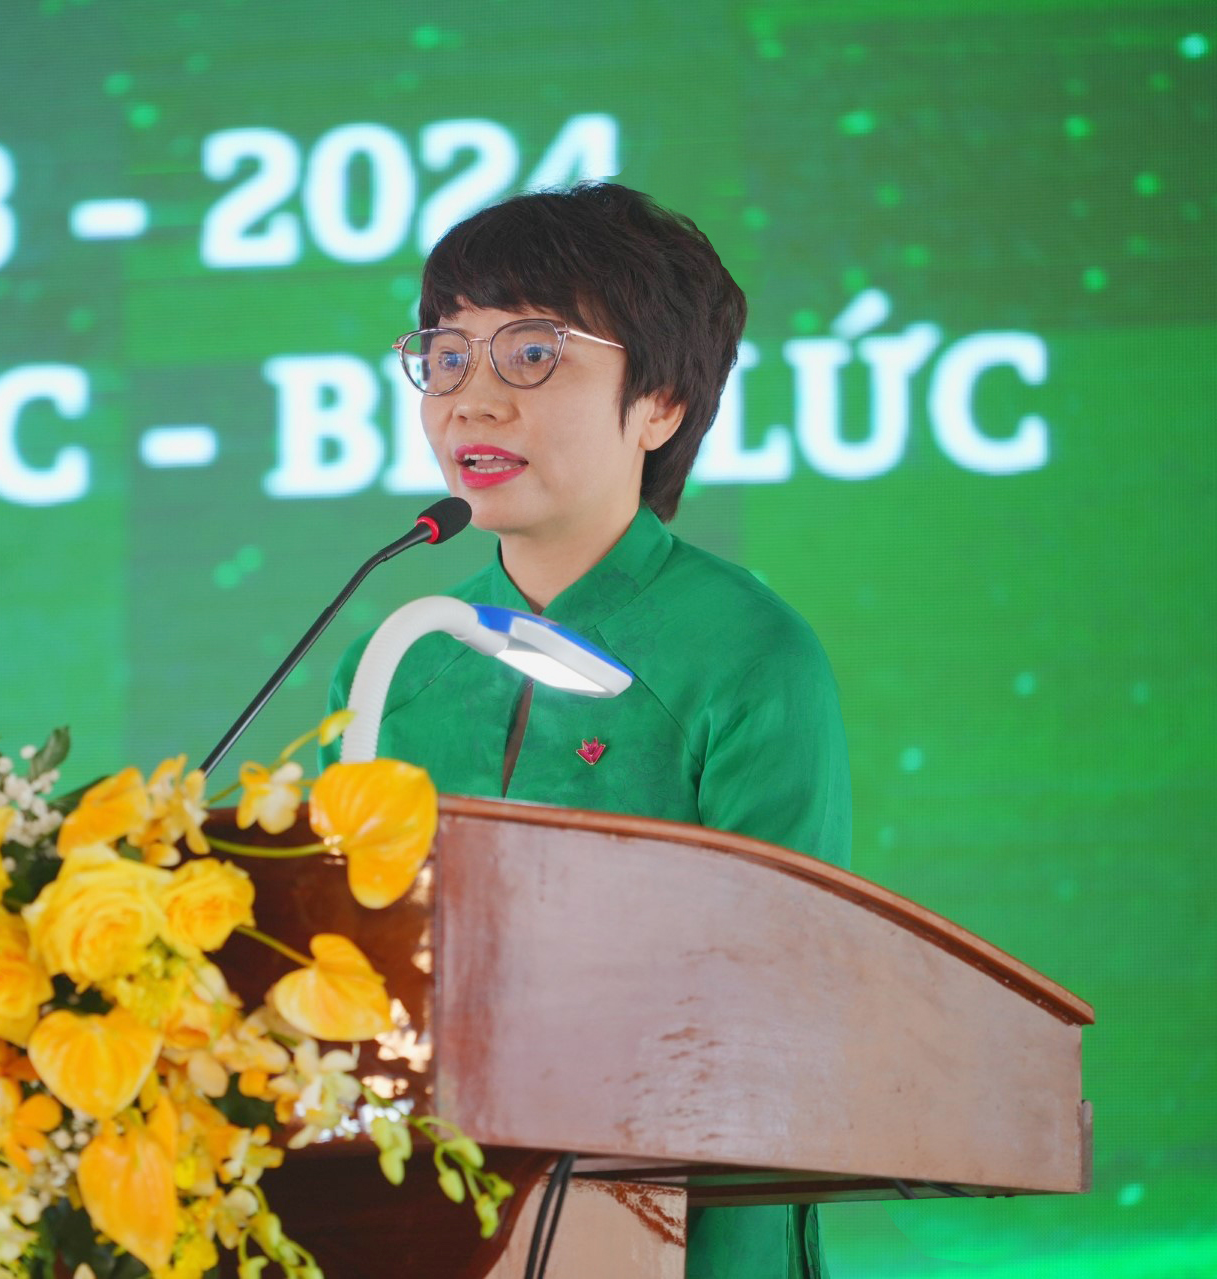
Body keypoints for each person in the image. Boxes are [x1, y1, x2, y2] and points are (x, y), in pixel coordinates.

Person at [321, 182, 850, 1278]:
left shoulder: (748, 652)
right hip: (419, 1225)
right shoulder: (399, 658)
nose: (471, 402)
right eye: (448, 354)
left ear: (660, 402)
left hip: (683, 1232)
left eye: (531, 356)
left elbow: (787, 990)